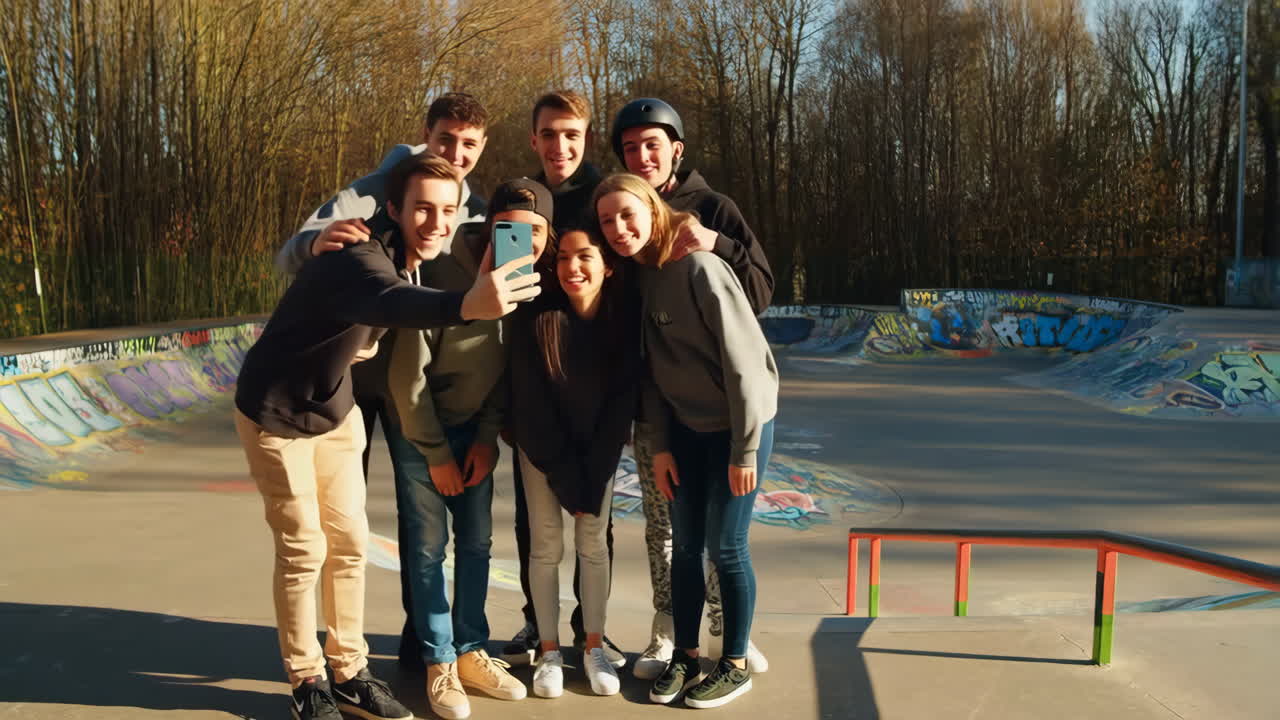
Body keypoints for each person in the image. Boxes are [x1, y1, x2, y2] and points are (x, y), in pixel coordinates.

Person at [234, 153, 538, 720]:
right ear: (393, 208)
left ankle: (349, 671)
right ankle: (307, 680)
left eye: (448, 211)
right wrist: (467, 306)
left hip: (335, 412)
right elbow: (388, 299)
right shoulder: (359, 252)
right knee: (305, 547)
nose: (437, 223)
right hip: (275, 411)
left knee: (349, 544)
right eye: (422, 208)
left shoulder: (415, 256)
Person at [275, 91, 491, 670]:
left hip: (408, 379)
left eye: (469, 144)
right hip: (348, 378)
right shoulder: (373, 189)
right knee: (337, 523)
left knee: (416, 520)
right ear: (426, 134)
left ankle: (422, 642)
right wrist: (311, 244)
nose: (457, 153)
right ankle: (333, 647)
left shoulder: (476, 210)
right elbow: (291, 251)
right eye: (446, 140)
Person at [593, 173, 778, 709]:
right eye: (607, 221)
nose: (618, 228)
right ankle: (686, 656)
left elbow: (746, 367)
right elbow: (651, 374)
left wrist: (744, 449)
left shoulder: (699, 267)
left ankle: (735, 663)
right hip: (686, 433)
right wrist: (662, 446)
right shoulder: (643, 278)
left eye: (628, 215)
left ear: (653, 209)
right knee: (686, 549)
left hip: (740, 427)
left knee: (726, 546)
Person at [384, 178, 557, 720]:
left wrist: (485, 441)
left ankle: (470, 650)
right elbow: (406, 381)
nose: (520, 244)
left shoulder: (529, 289)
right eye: (507, 231)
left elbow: (503, 376)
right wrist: (435, 452)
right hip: (421, 429)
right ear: (487, 229)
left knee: (478, 542)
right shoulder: (441, 277)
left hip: (474, 431)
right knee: (429, 546)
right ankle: (438, 662)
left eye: (533, 234)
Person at [502, 89, 626, 669]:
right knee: (537, 522)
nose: (560, 145)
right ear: (534, 139)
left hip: (596, 384)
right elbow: (502, 283)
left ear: (586, 138)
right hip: (536, 382)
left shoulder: (606, 196)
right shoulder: (520, 199)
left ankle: (590, 632)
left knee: (594, 522)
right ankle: (539, 622)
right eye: (549, 134)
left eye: (571, 134)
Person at [509, 225, 640, 698]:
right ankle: (548, 652)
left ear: (607, 264)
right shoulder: (538, 316)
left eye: (584, 257)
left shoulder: (622, 322)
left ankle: (592, 647)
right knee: (545, 546)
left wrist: (593, 476)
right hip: (542, 450)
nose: (571, 267)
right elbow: (529, 408)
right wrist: (566, 478)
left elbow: (619, 409)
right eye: (562, 257)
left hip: (595, 454)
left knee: (593, 545)